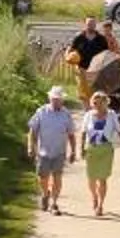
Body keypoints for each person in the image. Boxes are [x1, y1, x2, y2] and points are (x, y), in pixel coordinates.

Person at [27, 85, 77, 215]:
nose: (56, 101)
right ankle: (45, 194)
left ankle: (54, 203)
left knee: (57, 178)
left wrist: (73, 151)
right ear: (50, 99)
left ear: (62, 100)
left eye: (59, 99)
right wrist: (30, 147)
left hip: (59, 152)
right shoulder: (41, 112)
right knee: (42, 177)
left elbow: (71, 134)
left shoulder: (66, 115)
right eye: (54, 99)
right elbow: (32, 130)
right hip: (43, 151)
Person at [81, 90, 120, 218]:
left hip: (106, 149)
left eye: (99, 103)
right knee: (91, 177)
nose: (96, 105)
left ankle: (100, 205)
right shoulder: (88, 115)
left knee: (102, 178)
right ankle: (94, 197)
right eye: (94, 102)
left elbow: (118, 130)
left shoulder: (111, 114)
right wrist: (81, 148)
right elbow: (83, 132)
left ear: (105, 103)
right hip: (92, 149)